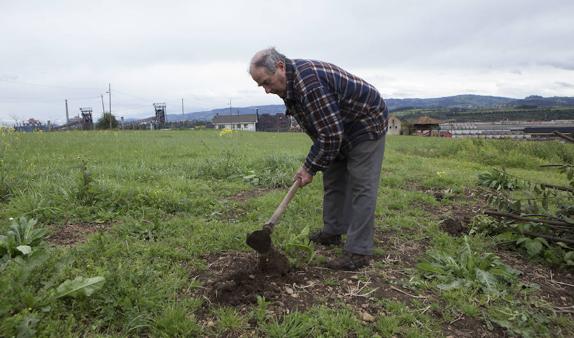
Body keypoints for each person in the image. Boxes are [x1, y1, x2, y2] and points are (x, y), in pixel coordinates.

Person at [249, 47, 388, 270]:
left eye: (266, 82)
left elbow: (331, 135)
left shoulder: (309, 84)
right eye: (261, 85)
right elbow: (324, 129)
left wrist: (309, 167)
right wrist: (315, 162)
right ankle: (332, 231)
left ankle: (359, 252)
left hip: (365, 122)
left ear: (281, 67)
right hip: (336, 125)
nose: (266, 90)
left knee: (362, 185)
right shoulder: (289, 85)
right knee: (333, 177)